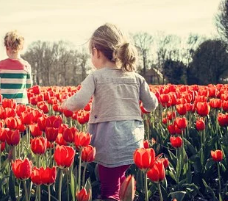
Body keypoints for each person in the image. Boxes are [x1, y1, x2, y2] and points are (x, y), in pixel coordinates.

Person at [61, 23, 158, 201]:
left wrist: (64, 105)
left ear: (97, 52)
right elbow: (151, 104)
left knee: (109, 190)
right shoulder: (136, 78)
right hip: (133, 143)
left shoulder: (96, 77)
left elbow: (80, 101)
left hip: (109, 142)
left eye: (91, 53)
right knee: (120, 179)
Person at [0, 30, 33, 104]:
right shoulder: (26, 65)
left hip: (4, 103)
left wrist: (0, 89)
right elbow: (29, 84)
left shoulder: (0, 65)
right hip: (21, 103)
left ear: (6, 48)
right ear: (22, 48)